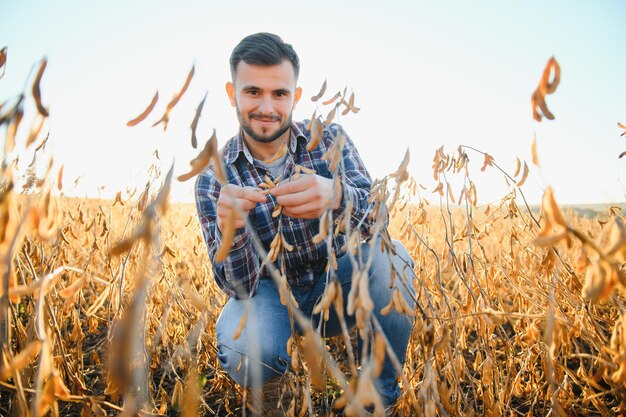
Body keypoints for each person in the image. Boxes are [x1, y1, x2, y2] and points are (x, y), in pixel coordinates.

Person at [195, 32, 416, 416]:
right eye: (253, 92)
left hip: (338, 286)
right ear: (232, 94)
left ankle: (376, 400)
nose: (266, 107)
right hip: (268, 299)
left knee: (392, 257)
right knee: (245, 348)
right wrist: (233, 231)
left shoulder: (329, 141)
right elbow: (238, 288)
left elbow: (379, 220)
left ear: (295, 96)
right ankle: (271, 401)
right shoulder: (214, 179)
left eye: (279, 94)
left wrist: (339, 197)